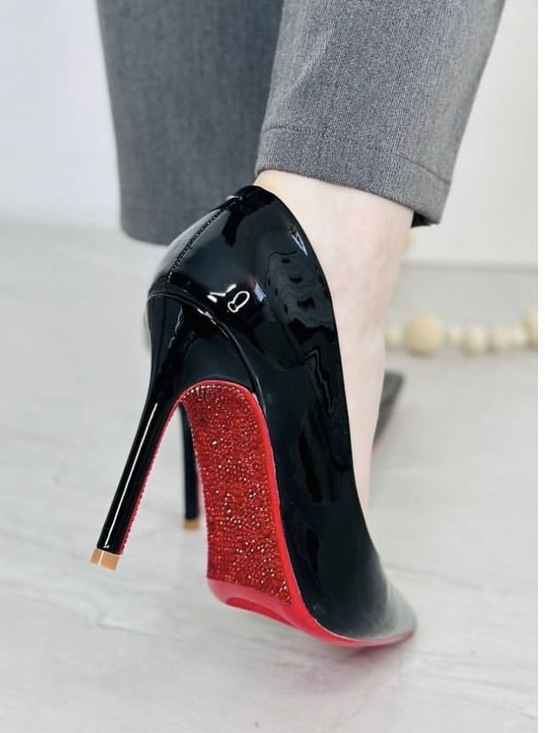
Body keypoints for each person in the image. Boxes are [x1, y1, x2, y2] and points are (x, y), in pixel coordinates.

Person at [91, 0, 505, 646]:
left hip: (204, 275)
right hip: (301, 278)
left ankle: (227, 238)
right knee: (328, 204)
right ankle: (329, 223)